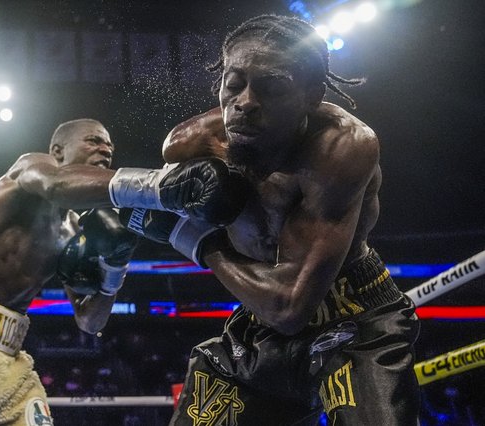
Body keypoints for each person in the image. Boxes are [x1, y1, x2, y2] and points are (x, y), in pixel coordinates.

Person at [124, 14, 420, 425]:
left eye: (271, 87)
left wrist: (198, 241)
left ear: (311, 95)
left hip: (355, 318)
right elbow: (74, 187)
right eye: (234, 83)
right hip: (258, 321)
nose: (245, 101)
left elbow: (291, 306)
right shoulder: (190, 145)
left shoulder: (341, 147)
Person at [0, 116, 250, 426]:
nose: (105, 149)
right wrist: (158, 186)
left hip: (7, 347)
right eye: (94, 141)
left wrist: (115, 269)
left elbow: (89, 322)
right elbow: (56, 185)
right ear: (58, 150)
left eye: (109, 146)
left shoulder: (78, 230)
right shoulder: (29, 169)